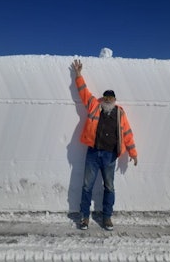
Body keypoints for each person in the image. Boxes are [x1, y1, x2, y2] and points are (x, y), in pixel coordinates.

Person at [72, 59, 138, 231]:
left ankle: (107, 217)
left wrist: (133, 153)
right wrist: (78, 75)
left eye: (111, 98)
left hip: (110, 156)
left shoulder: (119, 113)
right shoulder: (94, 106)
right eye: (106, 97)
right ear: (103, 98)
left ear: (115, 99)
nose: (108, 100)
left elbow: (127, 133)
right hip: (93, 153)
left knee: (109, 187)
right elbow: (83, 92)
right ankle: (84, 217)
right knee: (87, 186)